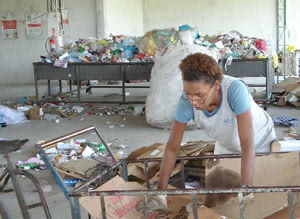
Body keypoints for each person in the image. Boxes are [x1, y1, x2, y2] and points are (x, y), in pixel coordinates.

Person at [157, 53, 276, 189]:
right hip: (227, 146)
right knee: (220, 196)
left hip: (259, 143)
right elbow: (172, 148)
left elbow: (247, 143)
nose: (193, 101)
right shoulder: (186, 102)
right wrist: (161, 189)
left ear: (217, 85)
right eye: (188, 94)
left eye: (199, 95)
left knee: (260, 189)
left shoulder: (234, 90)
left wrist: (245, 187)